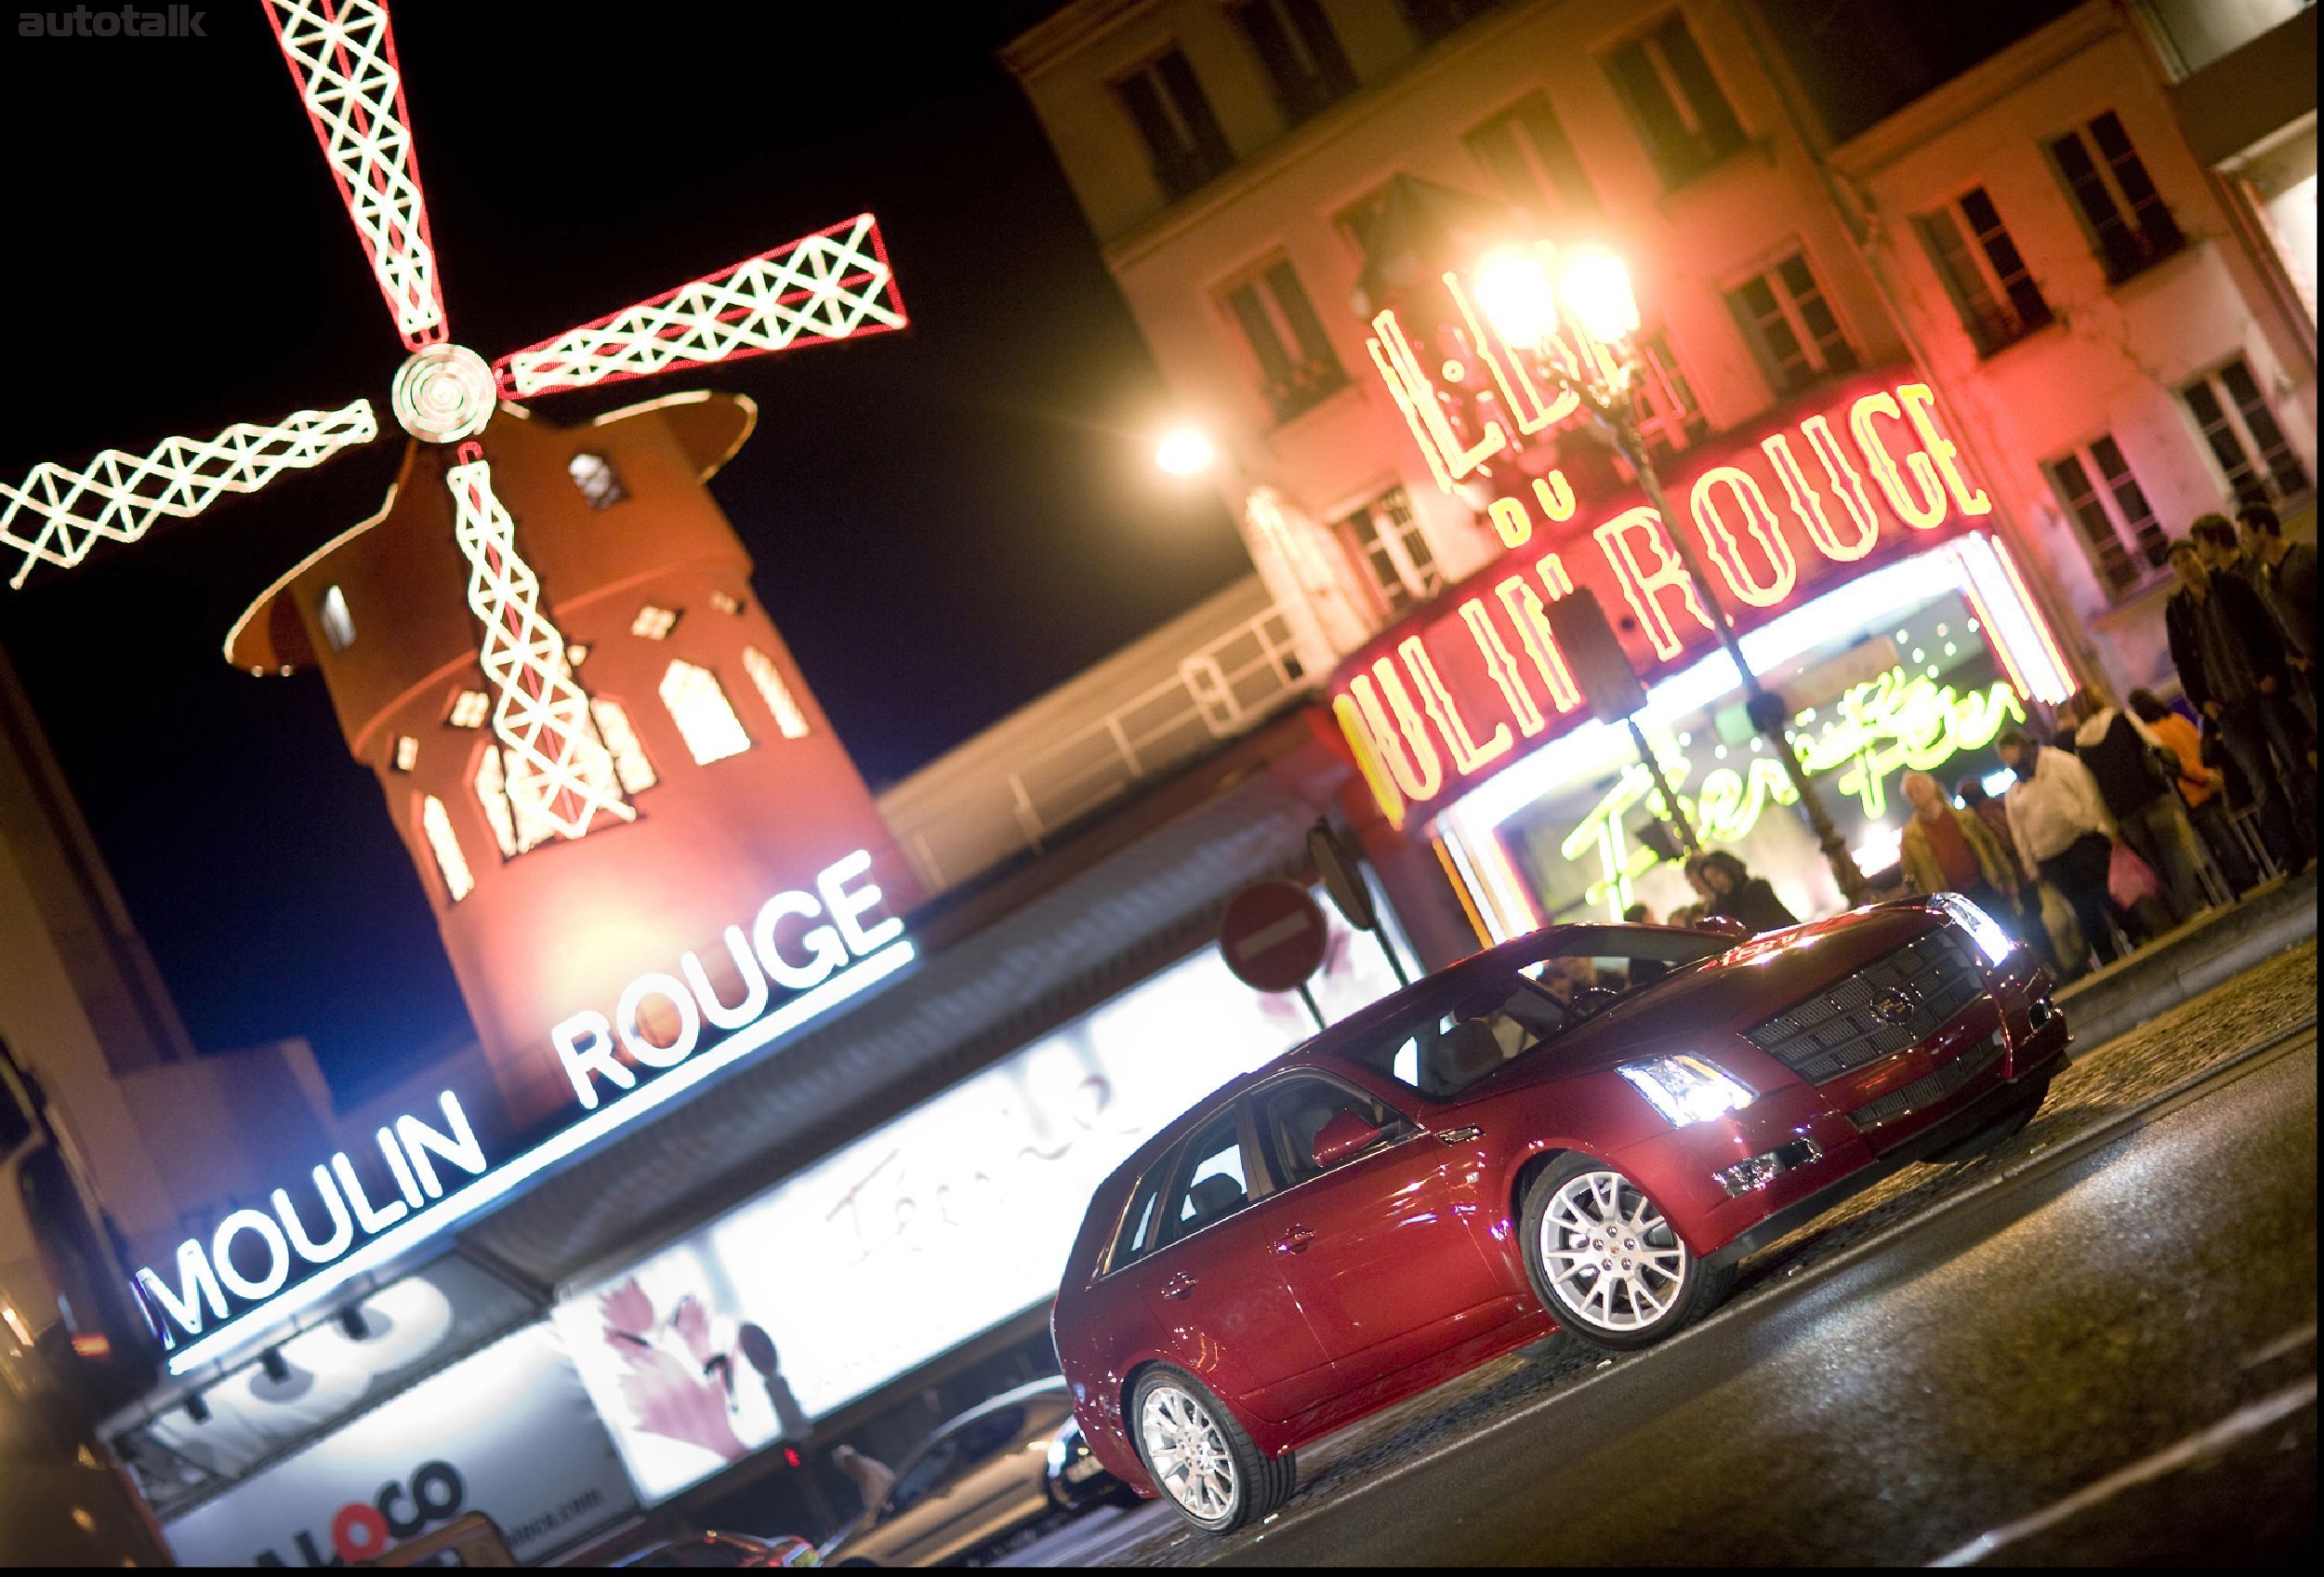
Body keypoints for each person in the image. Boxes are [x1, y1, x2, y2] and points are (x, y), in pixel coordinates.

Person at [2162, 536, 2316, 872]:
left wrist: (2271, 672)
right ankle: (2290, 854)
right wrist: (2203, 702)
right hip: (2228, 708)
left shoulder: (2230, 587)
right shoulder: (2178, 612)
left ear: (2199, 557)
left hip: (2261, 692)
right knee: (2261, 781)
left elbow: (2265, 627)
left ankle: (2313, 832)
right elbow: (2184, 663)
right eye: (2176, 564)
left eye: (2187, 558)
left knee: (2295, 764)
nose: (2184, 567)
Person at [1995, 726, 2142, 973]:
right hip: (2049, 855)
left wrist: (2096, 824)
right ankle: (2105, 951)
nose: (2008, 762)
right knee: (2081, 905)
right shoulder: (2015, 790)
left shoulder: (2056, 762)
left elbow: (2085, 789)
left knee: (2103, 891)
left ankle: (2134, 931)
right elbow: (2019, 831)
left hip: (2079, 840)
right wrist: (2030, 864)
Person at [2067, 682, 2209, 924]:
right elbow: (2154, 744)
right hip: (2152, 794)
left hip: (2123, 812)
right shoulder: (2122, 718)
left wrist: (2109, 826)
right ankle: (2192, 906)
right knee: (2175, 852)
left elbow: (2092, 789)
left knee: (2152, 863)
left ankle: (2173, 912)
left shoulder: (2081, 744)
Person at [2128, 688, 2258, 898]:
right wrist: (2212, 774)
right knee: (2229, 831)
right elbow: (2202, 747)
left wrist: (2202, 777)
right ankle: (2250, 869)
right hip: (2212, 784)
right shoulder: (2177, 720)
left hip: (2192, 792)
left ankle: (2244, 879)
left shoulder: (2153, 736)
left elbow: (2179, 765)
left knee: (2221, 841)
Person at [2238, 502, 2317, 739]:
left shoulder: (2305, 557)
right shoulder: (2263, 576)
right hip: (2310, 667)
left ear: (2262, 530)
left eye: (2246, 534)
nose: (2243, 541)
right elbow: (2276, 621)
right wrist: (2296, 655)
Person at [1898, 771, 2020, 919]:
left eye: (1918, 789)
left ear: (1932, 788)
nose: (1915, 796)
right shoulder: (1910, 837)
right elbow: (1910, 878)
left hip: (1986, 888)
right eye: (1910, 793)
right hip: (1951, 907)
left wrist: (2007, 879)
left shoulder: (1964, 816)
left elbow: (1992, 848)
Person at [1689, 849, 1799, 934]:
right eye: (1710, 881)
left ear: (1729, 869)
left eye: (1717, 874)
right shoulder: (1717, 908)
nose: (1716, 883)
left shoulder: (1755, 889)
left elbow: (1762, 924)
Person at [831, 1443, 894, 1517]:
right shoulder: (863, 1477)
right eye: (845, 1470)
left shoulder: (872, 1472)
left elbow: (884, 1505)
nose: (849, 1473)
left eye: (848, 1468)